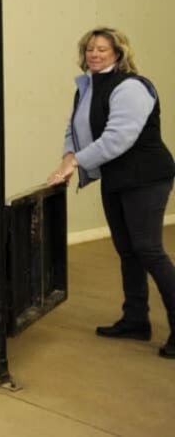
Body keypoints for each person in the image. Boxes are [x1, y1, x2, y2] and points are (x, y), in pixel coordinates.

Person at [48, 26, 175, 359]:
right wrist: (67, 158)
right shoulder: (88, 87)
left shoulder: (131, 86)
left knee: (148, 249)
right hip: (117, 178)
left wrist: (74, 164)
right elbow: (75, 129)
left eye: (102, 49)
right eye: (90, 48)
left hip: (147, 177)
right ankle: (135, 320)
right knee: (127, 250)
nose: (94, 53)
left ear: (118, 53)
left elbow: (118, 138)